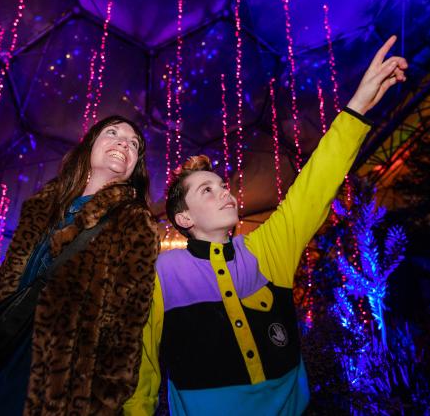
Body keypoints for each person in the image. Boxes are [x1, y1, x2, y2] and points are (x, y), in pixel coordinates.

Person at [124, 36, 408, 415]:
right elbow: (140, 365)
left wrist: (357, 107)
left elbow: (314, 186)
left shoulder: (265, 250)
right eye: (207, 190)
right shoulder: (161, 273)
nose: (225, 193)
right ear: (184, 219)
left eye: (223, 186)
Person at [0, 115, 160, 415]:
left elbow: (125, 332)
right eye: (112, 133)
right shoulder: (41, 209)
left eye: (134, 143)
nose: (124, 142)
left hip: (61, 389)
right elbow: (0, 295)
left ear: (135, 166)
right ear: (90, 146)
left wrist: (102, 406)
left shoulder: (135, 222)